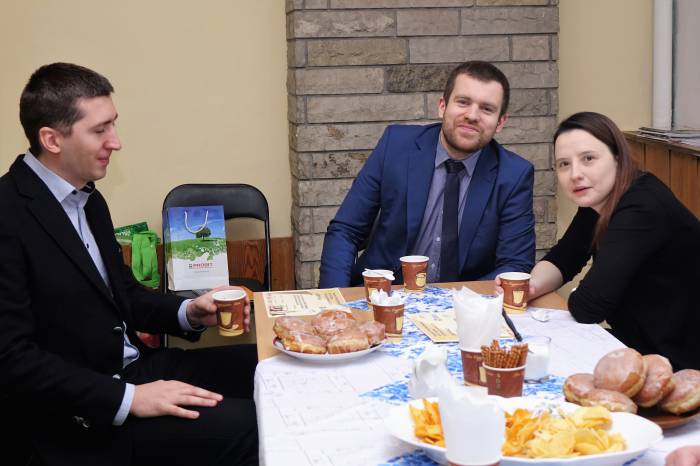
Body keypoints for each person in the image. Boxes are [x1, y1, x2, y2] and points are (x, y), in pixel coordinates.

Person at [0, 63, 258, 466]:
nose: (116, 142)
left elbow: (124, 295)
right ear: (51, 139)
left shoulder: (89, 200)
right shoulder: (8, 213)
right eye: (100, 130)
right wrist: (129, 398)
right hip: (80, 418)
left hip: (136, 370)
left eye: (113, 125)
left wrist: (190, 312)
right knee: (255, 427)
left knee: (267, 367)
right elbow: (13, 359)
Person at [319, 61, 535, 288]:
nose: (472, 115)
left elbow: (515, 264)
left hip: (464, 302)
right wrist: (335, 298)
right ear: (442, 106)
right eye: (463, 102)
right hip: (384, 295)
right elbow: (345, 231)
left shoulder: (514, 175)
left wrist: (462, 301)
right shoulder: (396, 146)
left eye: (487, 109)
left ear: (500, 122)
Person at [514, 111, 699, 370]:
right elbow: (563, 259)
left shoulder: (642, 205)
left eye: (588, 159)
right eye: (564, 164)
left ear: (617, 158)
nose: (575, 174)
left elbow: (588, 307)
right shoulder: (599, 200)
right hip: (638, 344)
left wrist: (580, 294)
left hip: (679, 362)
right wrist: (529, 287)